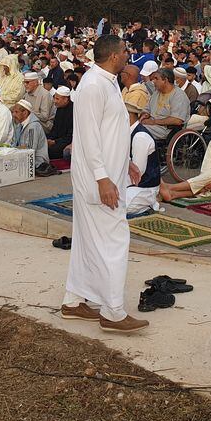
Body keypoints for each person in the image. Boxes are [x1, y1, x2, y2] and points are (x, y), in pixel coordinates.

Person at [61, 33, 148, 332]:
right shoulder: (93, 86)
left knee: (87, 239)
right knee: (115, 240)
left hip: (109, 173)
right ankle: (112, 312)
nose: (128, 54)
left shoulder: (107, 82)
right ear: (114, 56)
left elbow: (110, 132)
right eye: (125, 51)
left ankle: (73, 301)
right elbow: (87, 137)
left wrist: (126, 163)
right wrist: (103, 179)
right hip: (99, 180)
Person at [123, 99, 163, 216]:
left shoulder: (140, 137)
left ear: (127, 116)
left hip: (144, 187)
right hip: (129, 182)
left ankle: (148, 203)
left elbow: (137, 173)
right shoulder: (128, 132)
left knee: (117, 207)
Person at [12, 99, 51, 175]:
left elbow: (30, 149)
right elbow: (15, 142)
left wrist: (13, 149)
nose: (13, 115)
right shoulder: (19, 124)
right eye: (13, 112)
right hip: (22, 156)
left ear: (25, 113)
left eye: (16, 112)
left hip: (37, 162)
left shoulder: (33, 126)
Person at [46, 87, 74, 161]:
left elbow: (70, 136)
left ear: (65, 99)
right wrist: (49, 139)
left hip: (68, 142)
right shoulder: (59, 108)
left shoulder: (73, 111)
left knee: (50, 151)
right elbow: (55, 129)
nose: (54, 101)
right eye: (54, 98)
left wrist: (54, 142)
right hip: (57, 139)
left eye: (57, 99)